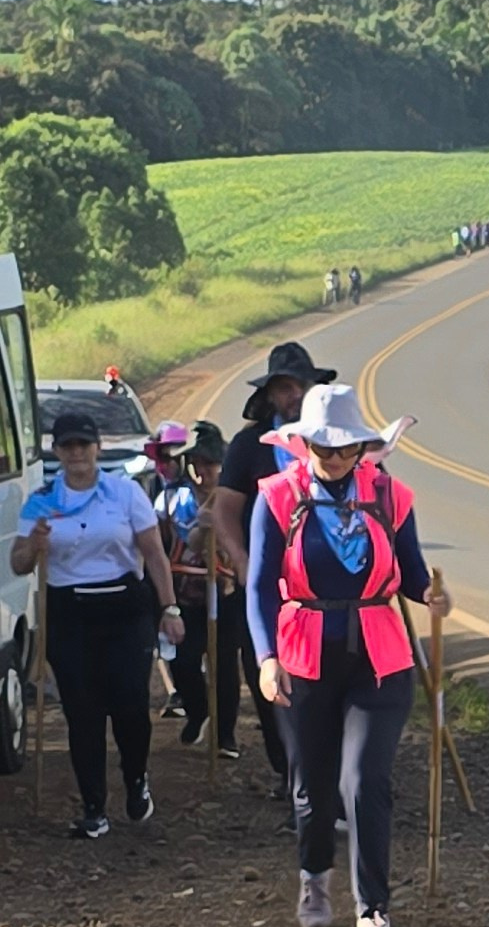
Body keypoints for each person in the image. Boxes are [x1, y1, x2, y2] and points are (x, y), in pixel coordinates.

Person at [244, 383, 445, 927]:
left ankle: (373, 911)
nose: (332, 458)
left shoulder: (390, 496)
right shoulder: (278, 497)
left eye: (344, 447)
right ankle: (314, 876)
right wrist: (265, 658)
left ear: (362, 447)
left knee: (366, 780)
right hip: (303, 654)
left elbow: (410, 573)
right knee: (312, 787)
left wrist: (430, 595)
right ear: (303, 443)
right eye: (321, 446)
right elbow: (260, 587)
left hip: (379, 656)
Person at [11, 406, 185, 836]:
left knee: (129, 706)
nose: (76, 453)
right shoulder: (42, 502)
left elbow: (154, 554)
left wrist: (170, 608)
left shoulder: (124, 494)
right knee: (82, 712)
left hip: (124, 607)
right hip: (69, 613)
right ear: (57, 451)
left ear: (96, 448)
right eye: (67, 446)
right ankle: (93, 808)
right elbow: (18, 564)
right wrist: (34, 543)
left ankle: (136, 780)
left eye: (83, 445)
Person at [216, 339, 335, 806]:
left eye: (298, 386)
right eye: (283, 388)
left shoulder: (333, 439)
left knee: (330, 680)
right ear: (269, 395)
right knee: (270, 680)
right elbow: (226, 510)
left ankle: (323, 782)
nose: (292, 396)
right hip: (268, 585)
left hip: (327, 586)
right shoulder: (250, 446)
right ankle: (292, 777)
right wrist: (242, 560)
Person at [165, 424, 241, 758]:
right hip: (188, 594)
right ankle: (197, 713)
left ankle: (225, 735)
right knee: (183, 661)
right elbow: (182, 538)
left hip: (226, 593)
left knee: (224, 665)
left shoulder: (236, 499)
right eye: (196, 463)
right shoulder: (175, 499)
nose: (202, 471)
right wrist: (201, 527)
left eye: (210, 464)